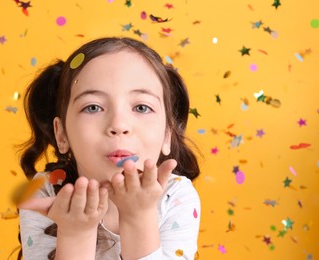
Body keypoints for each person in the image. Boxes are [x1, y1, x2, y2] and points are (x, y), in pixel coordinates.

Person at [17, 37, 201, 260]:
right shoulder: (48, 192)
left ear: (167, 135)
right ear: (62, 134)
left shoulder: (175, 195)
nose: (119, 125)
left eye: (142, 107)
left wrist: (138, 217)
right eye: (93, 107)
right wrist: (76, 234)